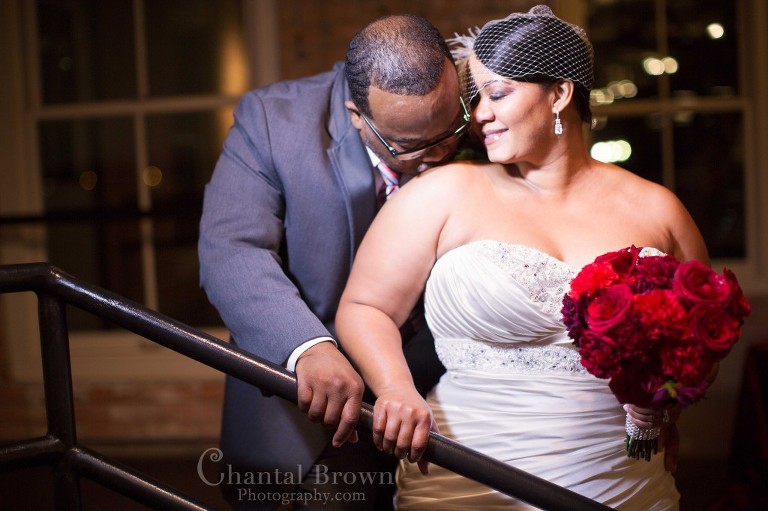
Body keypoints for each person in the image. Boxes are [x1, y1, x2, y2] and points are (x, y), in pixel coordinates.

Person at [335, 6, 709, 510]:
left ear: (559, 92)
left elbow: (701, 338)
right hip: (466, 473)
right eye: (477, 98)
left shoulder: (658, 209)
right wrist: (397, 390)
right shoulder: (442, 193)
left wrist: (659, 408)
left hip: (619, 478)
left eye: (497, 94)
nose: (479, 114)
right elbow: (364, 308)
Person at [198, 14, 468, 510]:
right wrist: (307, 347)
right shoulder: (272, 119)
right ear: (355, 114)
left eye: (451, 130)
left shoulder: (486, 103)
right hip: (314, 406)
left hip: (451, 403)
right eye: (410, 146)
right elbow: (231, 248)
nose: (439, 154)